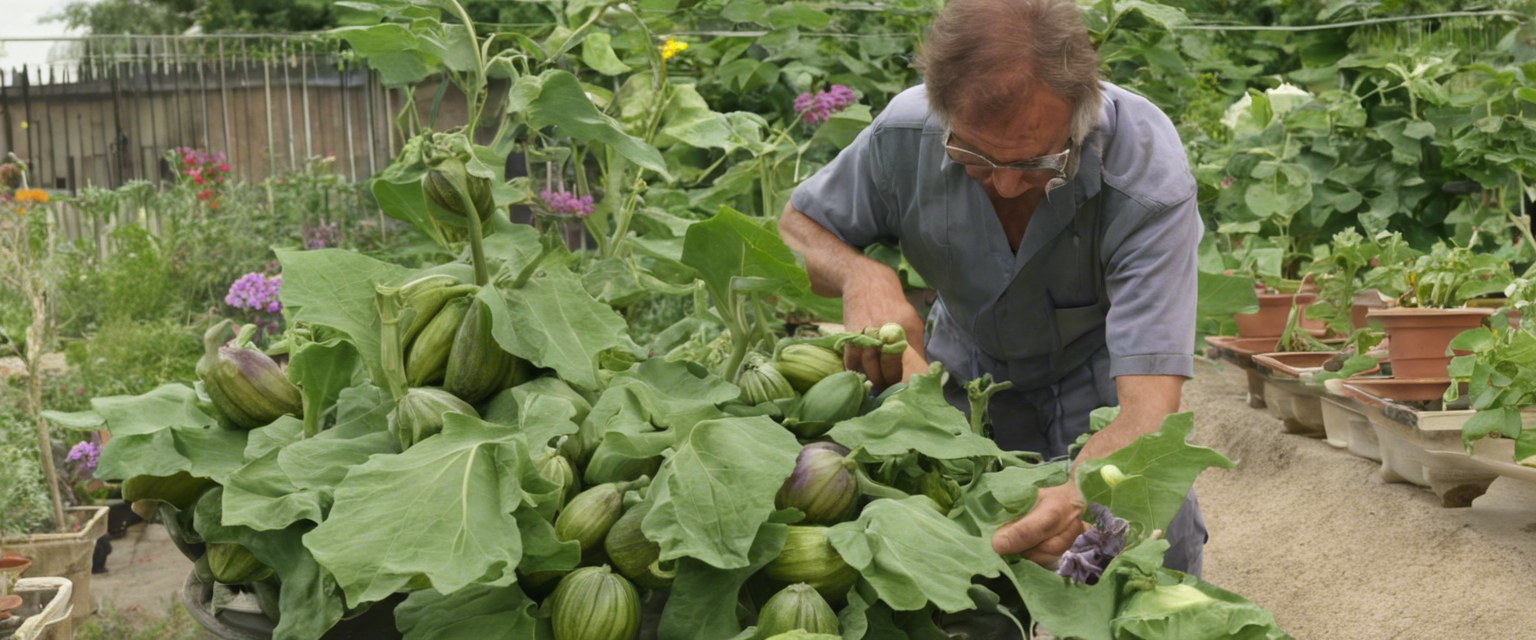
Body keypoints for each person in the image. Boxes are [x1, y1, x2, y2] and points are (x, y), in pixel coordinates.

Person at [778, 0, 1206, 574]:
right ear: (941, 112)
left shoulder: (1145, 175)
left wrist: (1078, 493)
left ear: (1083, 113)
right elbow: (797, 228)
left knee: (1142, 538)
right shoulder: (905, 133)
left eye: (1037, 163)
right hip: (963, 372)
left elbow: (1150, 411)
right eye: (973, 158)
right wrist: (861, 276)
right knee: (955, 561)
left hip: (1098, 377)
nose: (1004, 185)